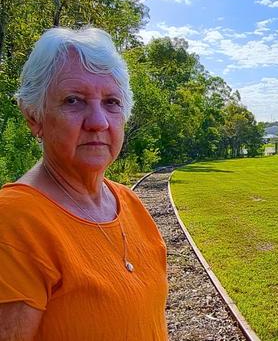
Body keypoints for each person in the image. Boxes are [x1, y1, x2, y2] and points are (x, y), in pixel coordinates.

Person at [0, 27, 168, 340]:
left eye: (112, 102)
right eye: (74, 100)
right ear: (34, 117)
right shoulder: (15, 223)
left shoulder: (129, 203)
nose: (98, 122)